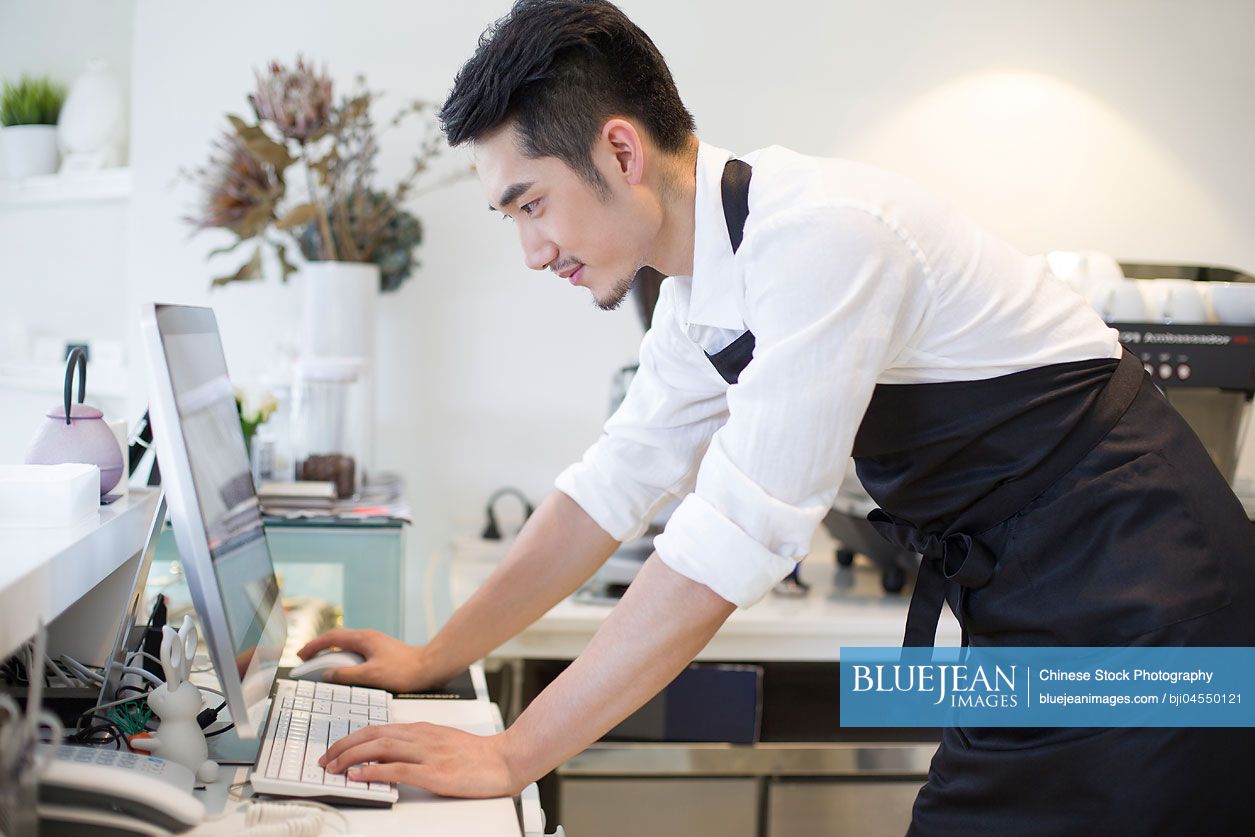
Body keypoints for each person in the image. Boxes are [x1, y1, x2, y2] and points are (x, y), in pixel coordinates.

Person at [300, 1, 1255, 832]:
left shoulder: (820, 238)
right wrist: (434, 655)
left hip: (1159, 622)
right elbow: (615, 481)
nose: (529, 249)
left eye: (530, 204)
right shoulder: (698, 291)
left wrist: (514, 752)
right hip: (1036, 617)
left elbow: (734, 536)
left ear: (620, 151)